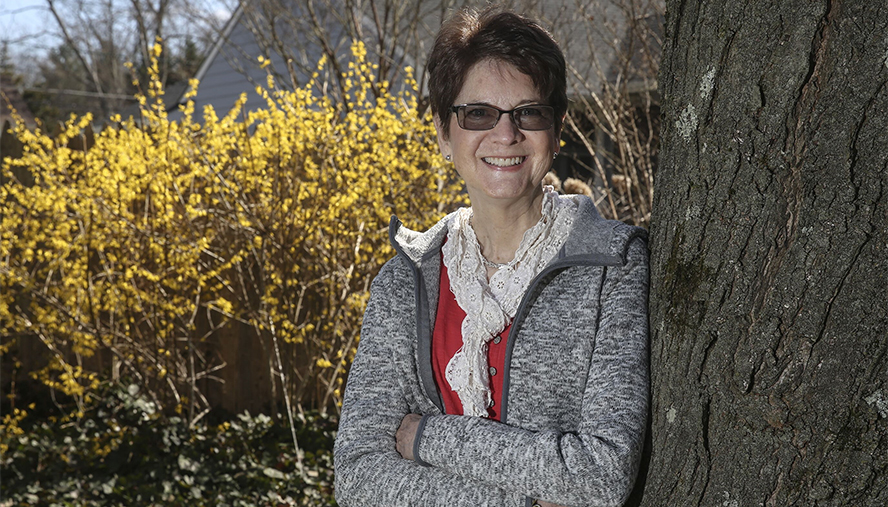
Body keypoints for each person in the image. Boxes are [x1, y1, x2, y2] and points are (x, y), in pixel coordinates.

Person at [333, 6, 649, 507]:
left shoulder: (614, 265)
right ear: (443, 132)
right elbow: (357, 477)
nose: (505, 135)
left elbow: (600, 477)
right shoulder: (404, 280)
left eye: (529, 111)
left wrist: (427, 438)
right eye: (477, 113)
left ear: (556, 128)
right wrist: (525, 496)